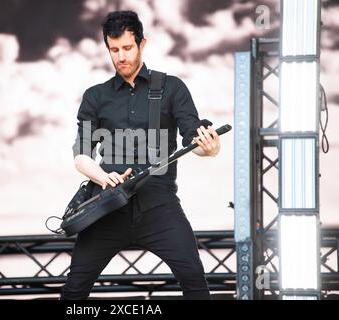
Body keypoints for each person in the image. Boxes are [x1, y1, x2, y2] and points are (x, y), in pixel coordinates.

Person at [61, 10, 220, 300]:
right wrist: (103, 176)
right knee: (74, 291)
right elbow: (81, 156)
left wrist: (210, 147)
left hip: (159, 206)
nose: (121, 57)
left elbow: (194, 136)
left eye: (127, 48)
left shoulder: (172, 88)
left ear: (142, 44)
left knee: (195, 281)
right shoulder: (95, 96)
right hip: (107, 207)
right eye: (114, 50)